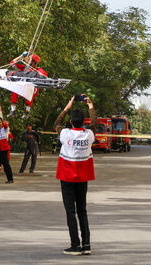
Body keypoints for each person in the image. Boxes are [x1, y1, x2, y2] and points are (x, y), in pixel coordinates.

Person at [54, 95, 97, 256]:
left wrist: (66, 107)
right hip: (82, 178)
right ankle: (86, 245)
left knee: (70, 211)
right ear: (84, 122)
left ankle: (75, 245)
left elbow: (56, 123)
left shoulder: (65, 134)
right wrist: (91, 106)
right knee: (82, 211)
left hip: (67, 178)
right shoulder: (89, 135)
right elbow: (94, 124)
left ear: (71, 122)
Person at [7, 53, 48, 119]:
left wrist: (35, 73)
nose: (28, 61)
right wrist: (21, 56)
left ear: (33, 62)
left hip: (31, 89)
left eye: (30, 60)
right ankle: (13, 110)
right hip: (22, 87)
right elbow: (12, 63)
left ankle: (27, 111)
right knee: (14, 88)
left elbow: (44, 76)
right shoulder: (24, 68)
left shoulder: (38, 69)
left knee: (32, 89)